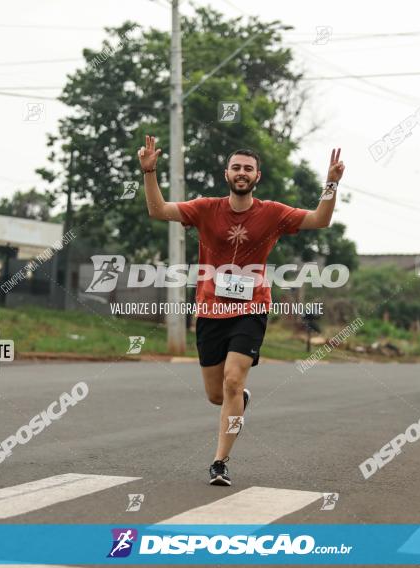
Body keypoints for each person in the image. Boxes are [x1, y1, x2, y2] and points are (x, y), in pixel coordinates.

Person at [138, 135, 345, 486]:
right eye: (236, 167)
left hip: (251, 308)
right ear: (227, 174)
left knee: (233, 381)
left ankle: (220, 461)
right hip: (209, 310)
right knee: (217, 394)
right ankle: (239, 400)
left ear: (257, 176)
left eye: (248, 168)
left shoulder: (274, 213)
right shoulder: (205, 208)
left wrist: (330, 185)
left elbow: (320, 220)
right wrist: (149, 171)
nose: (242, 173)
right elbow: (158, 210)